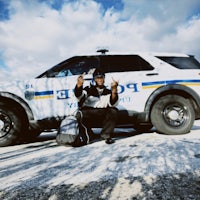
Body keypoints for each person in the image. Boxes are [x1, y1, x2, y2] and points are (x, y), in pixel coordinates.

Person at [74, 69, 119, 144]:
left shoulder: (107, 91)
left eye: (101, 78)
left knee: (113, 110)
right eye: (97, 78)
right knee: (79, 114)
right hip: (89, 114)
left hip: (102, 114)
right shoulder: (88, 89)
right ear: (94, 79)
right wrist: (79, 85)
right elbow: (79, 95)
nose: (100, 80)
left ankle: (106, 135)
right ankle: (88, 135)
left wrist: (114, 90)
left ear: (104, 79)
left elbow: (113, 103)